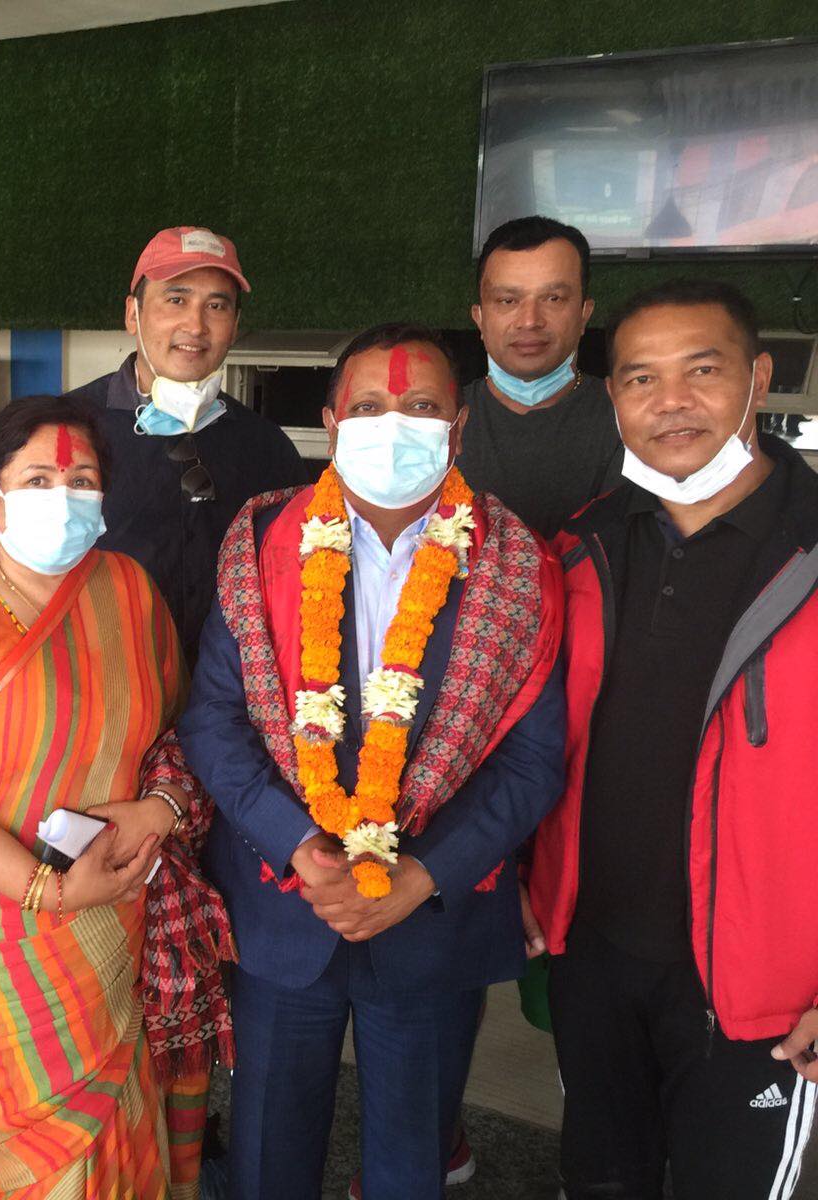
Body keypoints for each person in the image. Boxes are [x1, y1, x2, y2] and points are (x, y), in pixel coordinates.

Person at [179, 324, 567, 1200]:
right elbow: (213, 722)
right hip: (284, 906)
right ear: (330, 422)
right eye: (368, 406)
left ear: (458, 428)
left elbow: (532, 762)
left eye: (421, 406)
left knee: (409, 1166)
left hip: (434, 921)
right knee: (268, 1159)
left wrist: (421, 876)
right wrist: (297, 844)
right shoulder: (262, 539)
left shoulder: (517, 565)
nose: (394, 425)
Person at [0, 395, 235, 1200]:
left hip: (124, 907)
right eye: (37, 478)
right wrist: (50, 889)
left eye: (81, 481)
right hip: (6, 925)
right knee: (30, 1139)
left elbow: (181, 730)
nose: (62, 496)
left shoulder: (128, 589)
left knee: (127, 1102)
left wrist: (161, 809)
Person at [527, 279, 818, 1199]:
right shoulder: (582, 547)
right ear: (614, 398)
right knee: (600, 1179)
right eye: (642, 379)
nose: (671, 402)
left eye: (703, 370)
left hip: (760, 989)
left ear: (758, 378)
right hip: (595, 959)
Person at [65, 226, 307, 667]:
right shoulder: (64, 429)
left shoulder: (267, 448)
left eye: (216, 306)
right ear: (133, 314)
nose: (195, 325)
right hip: (99, 684)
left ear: (235, 326)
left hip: (228, 691)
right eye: (176, 300)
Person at [459, 215, 623, 536]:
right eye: (508, 300)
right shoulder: (440, 424)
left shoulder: (629, 419)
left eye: (553, 298)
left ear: (584, 314)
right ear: (480, 318)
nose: (530, 320)